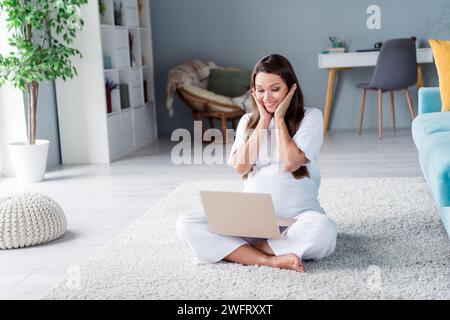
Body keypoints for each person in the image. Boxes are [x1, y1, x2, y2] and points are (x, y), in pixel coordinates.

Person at [176, 54, 337, 272]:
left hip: (297, 220)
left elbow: (291, 163)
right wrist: (263, 122)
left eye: (275, 89)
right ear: (254, 91)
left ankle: (247, 251)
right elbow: (240, 167)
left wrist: (279, 119)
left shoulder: (310, 117)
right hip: (251, 221)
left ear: (291, 89)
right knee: (187, 223)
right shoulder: (247, 122)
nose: (267, 97)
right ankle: (268, 258)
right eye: (260, 90)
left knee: (323, 230)